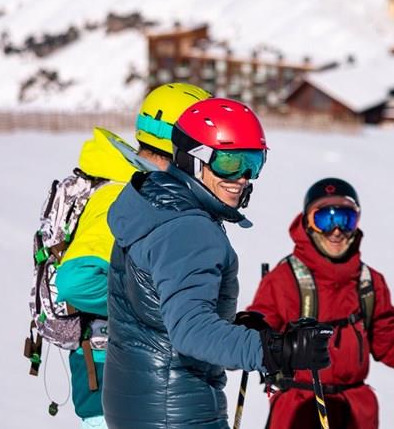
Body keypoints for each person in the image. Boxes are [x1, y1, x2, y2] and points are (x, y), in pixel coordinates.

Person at [103, 97, 334, 429]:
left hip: (141, 405)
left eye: (253, 163)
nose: (242, 178)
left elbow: (163, 311)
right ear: (192, 159)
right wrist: (278, 351)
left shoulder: (155, 205)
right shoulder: (190, 229)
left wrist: (242, 331)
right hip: (177, 410)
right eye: (228, 162)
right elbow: (192, 332)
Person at [242, 177, 394, 429]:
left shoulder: (369, 283)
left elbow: (392, 346)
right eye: (325, 219)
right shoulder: (285, 279)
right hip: (300, 411)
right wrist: (254, 329)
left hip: (356, 414)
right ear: (308, 223)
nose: (336, 230)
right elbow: (256, 338)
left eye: (346, 218)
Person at [53, 82, 211, 428]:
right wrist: (154, 302)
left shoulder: (150, 191)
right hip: (114, 381)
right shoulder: (121, 196)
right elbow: (75, 280)